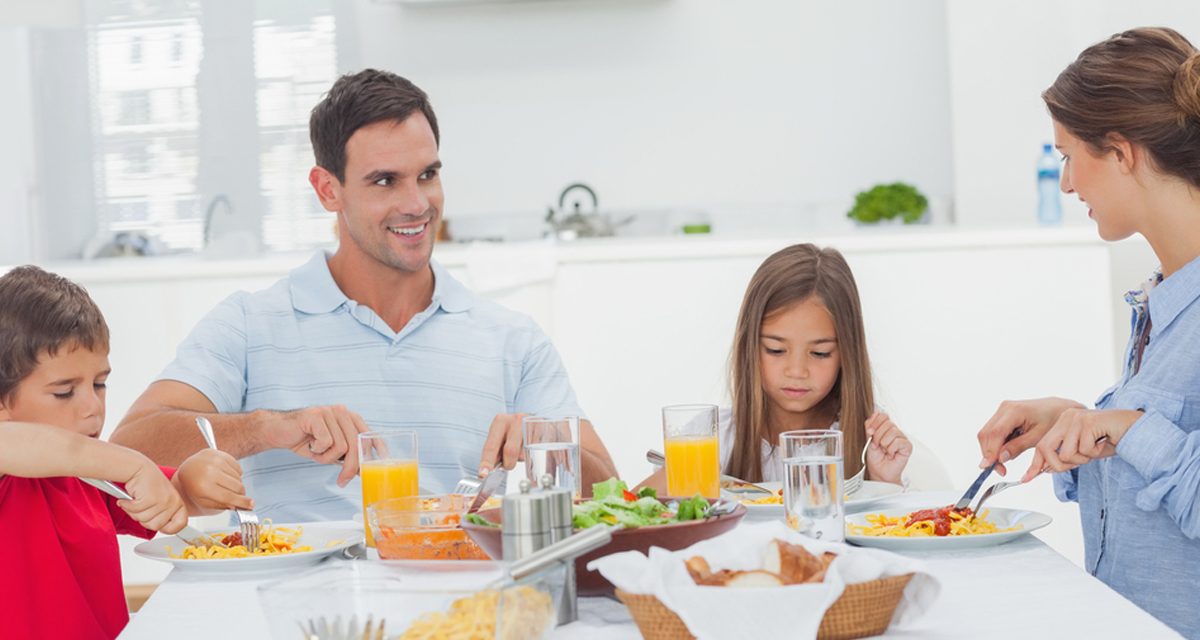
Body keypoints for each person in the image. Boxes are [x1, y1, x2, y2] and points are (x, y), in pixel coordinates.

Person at [110, 69, 616, 521]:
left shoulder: (512, 339)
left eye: (427, 175)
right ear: (328, 190)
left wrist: (545, 445)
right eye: (384, 181)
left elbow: (610, 491)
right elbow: (131, 445)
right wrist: (265, 428)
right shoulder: (250, 323)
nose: (417, 204)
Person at [975, 27, 1200, 637]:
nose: (1068, 183)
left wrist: (1128, 426)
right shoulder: (1164, 302)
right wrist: (1076, 422)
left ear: (1121, 153)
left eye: (1068, 155)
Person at [0, 266, 251, 640]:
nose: (92, 407)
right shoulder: (18, 466)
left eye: (99, 384)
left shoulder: (92, 478)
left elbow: (171, 499)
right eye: (64, 392)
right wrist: (133, 464)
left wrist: (195, 482)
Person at [641, 244, 911, 489]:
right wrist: (676, 485)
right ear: (749, 347)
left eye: (820, 353)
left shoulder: (867, 437)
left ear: (846, 355)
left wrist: (886, 482)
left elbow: (893, 529)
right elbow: (628, 518)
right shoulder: (712, 438)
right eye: (776, 350)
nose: (796, 371)